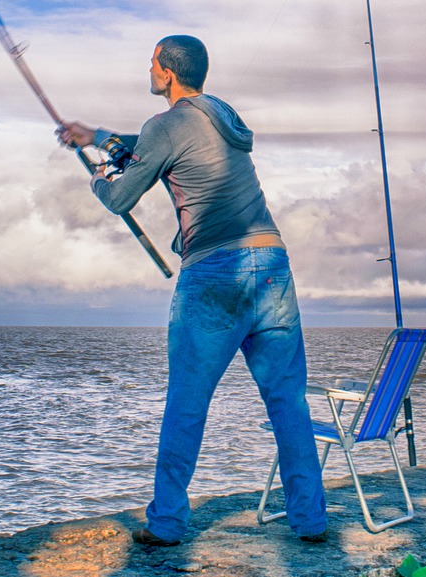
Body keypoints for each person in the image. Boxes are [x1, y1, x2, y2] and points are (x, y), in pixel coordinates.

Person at [58, 34, 329, 546]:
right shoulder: (220, 115)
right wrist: (93, 134)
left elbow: (120, 196)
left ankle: (166, 523)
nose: (149, 68)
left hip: (215, 271)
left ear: (167, 73)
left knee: (187, 399)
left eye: (153, 61)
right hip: (272, 261)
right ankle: (311, 521)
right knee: (287, 400)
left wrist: (97, 175)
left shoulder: (165, 124)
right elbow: (154, 147)